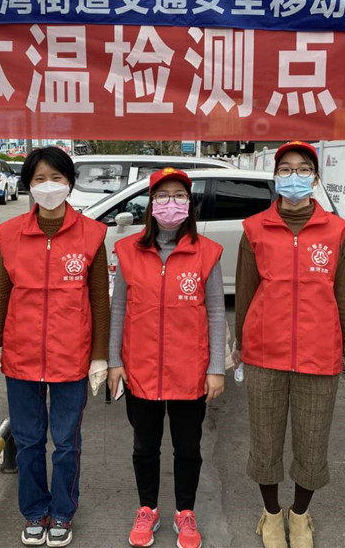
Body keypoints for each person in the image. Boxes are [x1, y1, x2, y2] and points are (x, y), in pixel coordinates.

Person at [234, 141, 345, 548]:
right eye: (285, 169)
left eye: (302, 169)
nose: (294, 176)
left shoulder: (337, 231)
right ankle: (271, 514)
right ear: (276, 178)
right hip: (264, 354)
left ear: (315, 178)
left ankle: (300, 514)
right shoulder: (255, 229)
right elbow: (245, 291)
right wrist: (239, 343)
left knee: (312, 443)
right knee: (265, 442)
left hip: (319, 356)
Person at [0, 146, 110, 548]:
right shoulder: (10, 234)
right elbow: (1, 293)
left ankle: (63, 511)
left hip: (72, 357)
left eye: (57, 178)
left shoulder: (92, 234)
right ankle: (34, 511)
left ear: (69, 182)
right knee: (29, 441)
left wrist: (100, 356)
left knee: (67, 443)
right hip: (21, 358)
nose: (49, 186)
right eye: (39, 179)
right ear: (28, 185)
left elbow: (99, 300)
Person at [108, 167, 226, 548]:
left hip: (189, 372)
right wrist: (114, 361)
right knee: (145, 447)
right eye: (162, 196)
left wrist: (216, 367)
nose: (170, 203)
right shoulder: (128, 251)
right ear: (150, 204)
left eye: (179, 196)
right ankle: (148, 508)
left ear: (189, 204)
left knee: (188, 448)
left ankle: (185, 512)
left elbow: (216, 313)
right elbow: (118, 309)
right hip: (140, 371)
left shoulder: (207, 253)